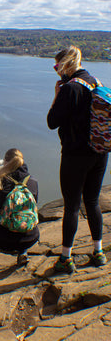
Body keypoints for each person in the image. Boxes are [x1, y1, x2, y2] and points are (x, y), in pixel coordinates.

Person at [47, 45, 108, 273]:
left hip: (75, 155)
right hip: (100, 152)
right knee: (92, 202)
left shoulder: (69, 88)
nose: (56, 71)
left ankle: (65, 258)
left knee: (71, 206)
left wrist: (56, 96)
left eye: (56, 66)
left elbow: (52, 122)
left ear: (65, 64)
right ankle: (98, 252)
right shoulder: (96, 83)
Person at [0, 148, 39, 274]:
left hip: (2, 240)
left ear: (5, 162)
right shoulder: (33, 181)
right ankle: (23, 253)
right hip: (29, 238)